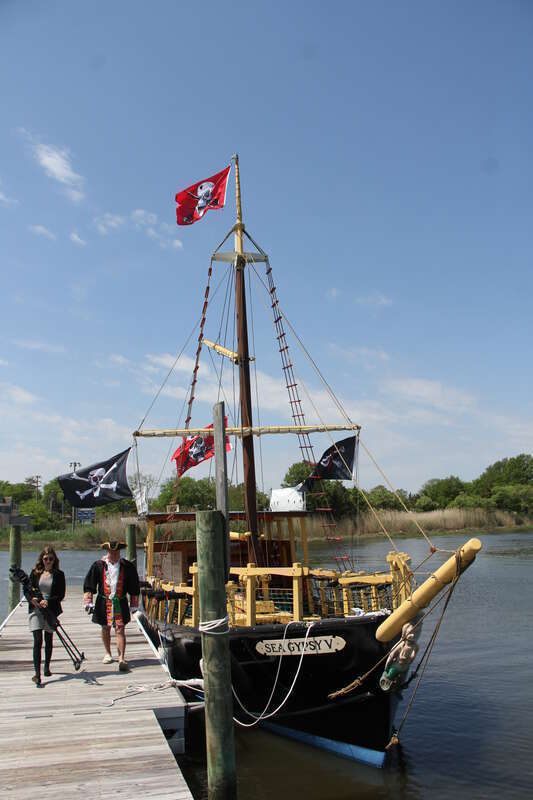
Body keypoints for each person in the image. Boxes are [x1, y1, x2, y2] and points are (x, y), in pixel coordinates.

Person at [83, 540, 140, 671]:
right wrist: (88, 601)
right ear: (108, 552)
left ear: (119, 552)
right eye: (111, 552)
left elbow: (134, 586)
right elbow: (89, 584)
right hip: (103, 602)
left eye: (116, 552)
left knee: (120, 629)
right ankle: (108, 653)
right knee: (105, 628)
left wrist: (134, 605)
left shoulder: (127, 566)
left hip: (120, 601)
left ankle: (121, 658)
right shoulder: (98, 565)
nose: (113, 554)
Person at [28, 546, 66, 686]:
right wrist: (32, 599)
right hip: (36, 610)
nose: (48, 561)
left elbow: (61, 595)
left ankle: (46, 667)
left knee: (48, 639)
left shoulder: (59, 574)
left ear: (54, 560)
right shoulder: (35, 573)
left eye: (51, 559)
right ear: (42, 559)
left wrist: (48, 602)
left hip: (51, 610)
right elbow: (27, 590)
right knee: (37, 640)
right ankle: (37, 675)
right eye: (45, 559)